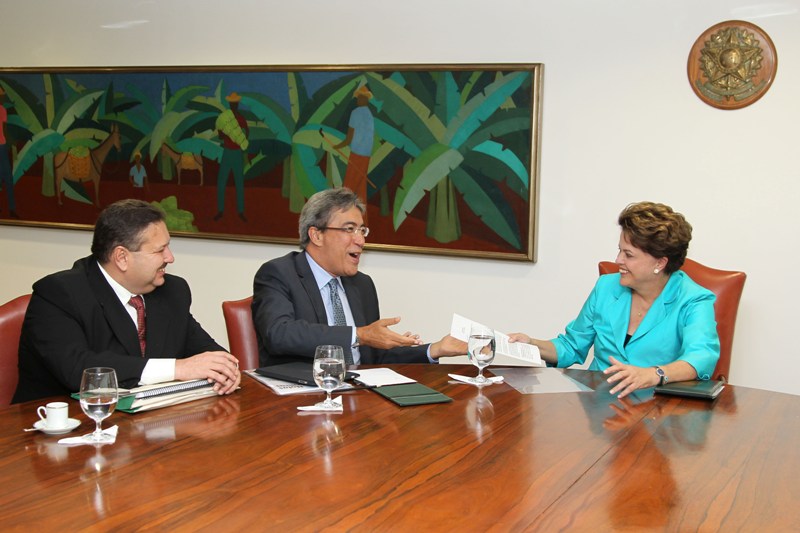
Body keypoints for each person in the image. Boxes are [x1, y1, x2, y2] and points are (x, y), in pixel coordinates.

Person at [12, 199, 241, 403]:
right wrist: (178, 368)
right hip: (61, 425)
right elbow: (79, 369)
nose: (170, 258)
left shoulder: (172, 291)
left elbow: (205, 350)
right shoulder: (59, 294)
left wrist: (224, 369)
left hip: (147, 426)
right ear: (122, 257)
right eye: (160, 250)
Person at [508, 201, 719, 399]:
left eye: (629, 254)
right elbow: (572, 346)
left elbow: (701, 357)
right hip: (599, 403)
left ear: (660, 263)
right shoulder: (606, 287)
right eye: (620, 250)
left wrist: (652, 374)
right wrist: (531, 344)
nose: (618, 260)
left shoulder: (694, 300)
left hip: (656, 408)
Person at [252, 187, 465, 367]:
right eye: (349, 229)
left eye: (362, 230)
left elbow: (376, 357)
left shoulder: (362, 284)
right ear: (316, 235)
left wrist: (435, 349)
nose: (361, 241)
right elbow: (279, 334)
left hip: (360, 393)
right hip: (304, 395)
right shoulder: (278, 274)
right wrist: (359, 335)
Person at [334, 84, 375, 220]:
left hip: (357, 154)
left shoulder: (356, 113)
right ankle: (363, 222)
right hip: (366, 156)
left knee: (348, 188)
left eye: (359, 98)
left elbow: (348, 138)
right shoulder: (369, 115)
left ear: (364, 99)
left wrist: (337, 146)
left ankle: (344, 220)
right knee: (360, 190)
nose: (358, 100)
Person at [214, 91, 249, 222]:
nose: (234, 105)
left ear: (237, 104)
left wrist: (240, 138)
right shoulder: (224, 119)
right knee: (221, 182)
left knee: (239, 183)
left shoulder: (240, 119)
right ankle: (220, 210)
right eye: (232, 103)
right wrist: (229, 134)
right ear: (230, 104)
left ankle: (240, 211)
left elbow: (247, 132)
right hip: (228, 152)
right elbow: (220, 135)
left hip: (236, 153)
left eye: (235, 103)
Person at [0, 86, 19, 219]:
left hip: (1, 146)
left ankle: (12, 208)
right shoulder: (2, 109)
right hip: (1, 146)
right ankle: (11, 208)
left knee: (7, 177)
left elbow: (4, 129)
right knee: (6, 177)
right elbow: (4, 129)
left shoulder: (2, 109)